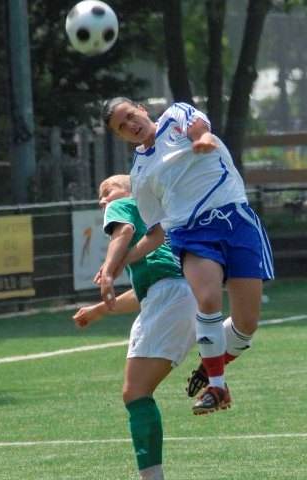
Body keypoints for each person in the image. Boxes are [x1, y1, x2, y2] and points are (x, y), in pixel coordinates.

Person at [101, 98, 274, 415]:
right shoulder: (140, 173)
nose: (130, 126)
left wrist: (205, 139)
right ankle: (218, 388)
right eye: (121, 127)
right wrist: (117, 265)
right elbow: (155, 234)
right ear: (121, 136)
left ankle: (210, 365)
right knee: (208, 299)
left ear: (141, 108)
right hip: (190, 233)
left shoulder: (174, 116)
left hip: (236, 221)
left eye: (130, 116)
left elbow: (198, 127)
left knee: (246, 324)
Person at [73, 174, 197, 480]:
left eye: (107, 192)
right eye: (99, 197)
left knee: (136, 392)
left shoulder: (127, 205)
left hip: (169, 297)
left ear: (132, 190)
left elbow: (123, 230)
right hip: (184, 294)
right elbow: (151, 289)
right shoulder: (154, 222)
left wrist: (110, 270)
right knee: (136, 392)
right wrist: (100, 310)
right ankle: (219, 345)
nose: (103, 201)